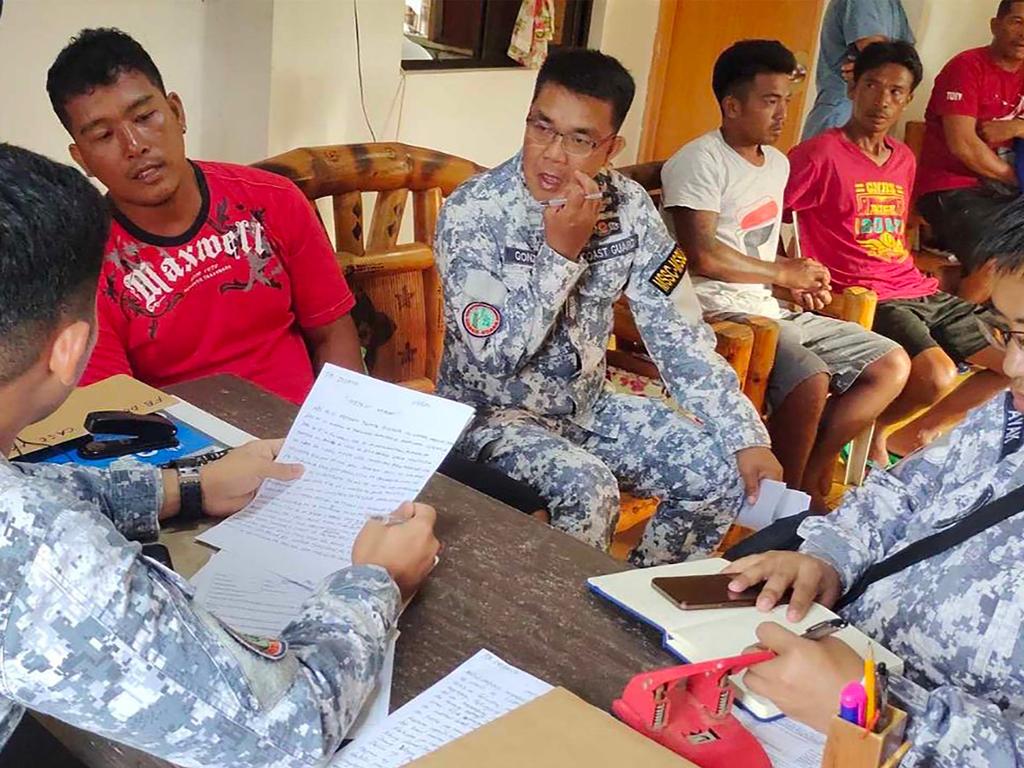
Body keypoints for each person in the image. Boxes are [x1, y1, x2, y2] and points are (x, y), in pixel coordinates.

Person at [0, 142, 441, 765]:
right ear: (71, 348)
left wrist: (187, 487)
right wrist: (378, 580)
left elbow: (26, 488)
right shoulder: (37, 555)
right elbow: (281, 734)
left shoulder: (265, 202)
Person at [45, 28, 548, 518]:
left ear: (176, 112)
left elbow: (333, 332)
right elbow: (127, 415)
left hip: (316, 439)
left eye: (145, 116)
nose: (135, 145)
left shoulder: (269, 201)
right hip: (204, 472)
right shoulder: (84, 264)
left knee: (512, 509)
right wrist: (200, 485)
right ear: (81, 158)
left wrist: (339, 437)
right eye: (104, 135)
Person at [435, 48, 782, 566]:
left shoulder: (630, 209)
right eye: (542, 127)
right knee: (588, 488)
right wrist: (559, 254)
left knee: (720, 470)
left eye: (579, 140)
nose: (553, 154)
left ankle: (634, 604)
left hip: (588, 407)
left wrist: (744, 433)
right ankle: (568, 630)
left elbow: (679, 331)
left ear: (611, 147)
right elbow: (490, 358)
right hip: (488, 419)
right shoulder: (474, 212)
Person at [721, 207, 1024, 766]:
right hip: (818, 674)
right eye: (1009, 332)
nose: (1010, 364)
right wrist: (824, 559)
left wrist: (875, 714)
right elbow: (899, 494)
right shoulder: (1008, 415)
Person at [662, 39, 909, 508]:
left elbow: (758, 241)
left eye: (787, 102)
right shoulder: (701, 161)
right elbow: (703, 256)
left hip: (767, 307)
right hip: (719, 313)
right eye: (770, 101)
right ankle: (780, 512)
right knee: (810, 378)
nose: (782, 115)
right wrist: (781, 272)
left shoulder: (776, 163)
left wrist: (794, 282)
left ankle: (810, 476)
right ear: (732, 105)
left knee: (891, 364)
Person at [786, 41, 1008, 463]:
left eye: (895, 92)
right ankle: (866, 430)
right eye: (873, 85)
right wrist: (792, 272)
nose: (882, 100)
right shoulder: (818, 154)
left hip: (916, 287)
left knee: (1015, 362)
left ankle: (901, 434)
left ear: (908, 99)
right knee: (939, 375)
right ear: (853, 88)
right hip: (870, 295)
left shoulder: (904, 157)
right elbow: (766, 216)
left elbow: (891, 233)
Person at [915, 0, 1024, 304]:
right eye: (1017, 21)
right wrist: (1013, 179)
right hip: (951, 188)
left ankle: (956, 288)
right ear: (995, 25)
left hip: (1003, 190)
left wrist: (1017, 128)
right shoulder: (966, 67)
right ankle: (961, 332)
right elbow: (964, 145)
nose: (1023, 33)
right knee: (1003, 257)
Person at [802, 0, 913, 140]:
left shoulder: (893, 5)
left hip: (864, 114)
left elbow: (906, 61)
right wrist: (876, 65)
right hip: (844, 112)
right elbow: (876, 55)